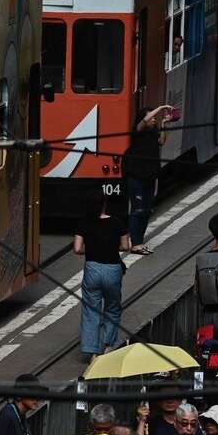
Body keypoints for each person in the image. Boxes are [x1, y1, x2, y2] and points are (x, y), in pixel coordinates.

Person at [74, 190, 131, 359]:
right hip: (112, 270)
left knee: (91, 310)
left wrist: (90, 248)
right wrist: (111, 246)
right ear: (104, 204)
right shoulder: (117, 223)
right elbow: (126, 246)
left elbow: (77, 249)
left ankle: (93, 351)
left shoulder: (83, 224)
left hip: (92, 269)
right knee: (112, 308)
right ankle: (108, 345)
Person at [122, 104, 172, 255]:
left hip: (150, 176)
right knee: (136, 209)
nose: (154, 120)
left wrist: (164, 125)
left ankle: (140, 242)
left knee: (146, 210)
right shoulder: (137, 131)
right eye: (152, 118)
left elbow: (161, 142)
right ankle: (135, 243)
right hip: (135, 176)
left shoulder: (152, 133)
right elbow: (144, 121)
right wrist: (161, 107)